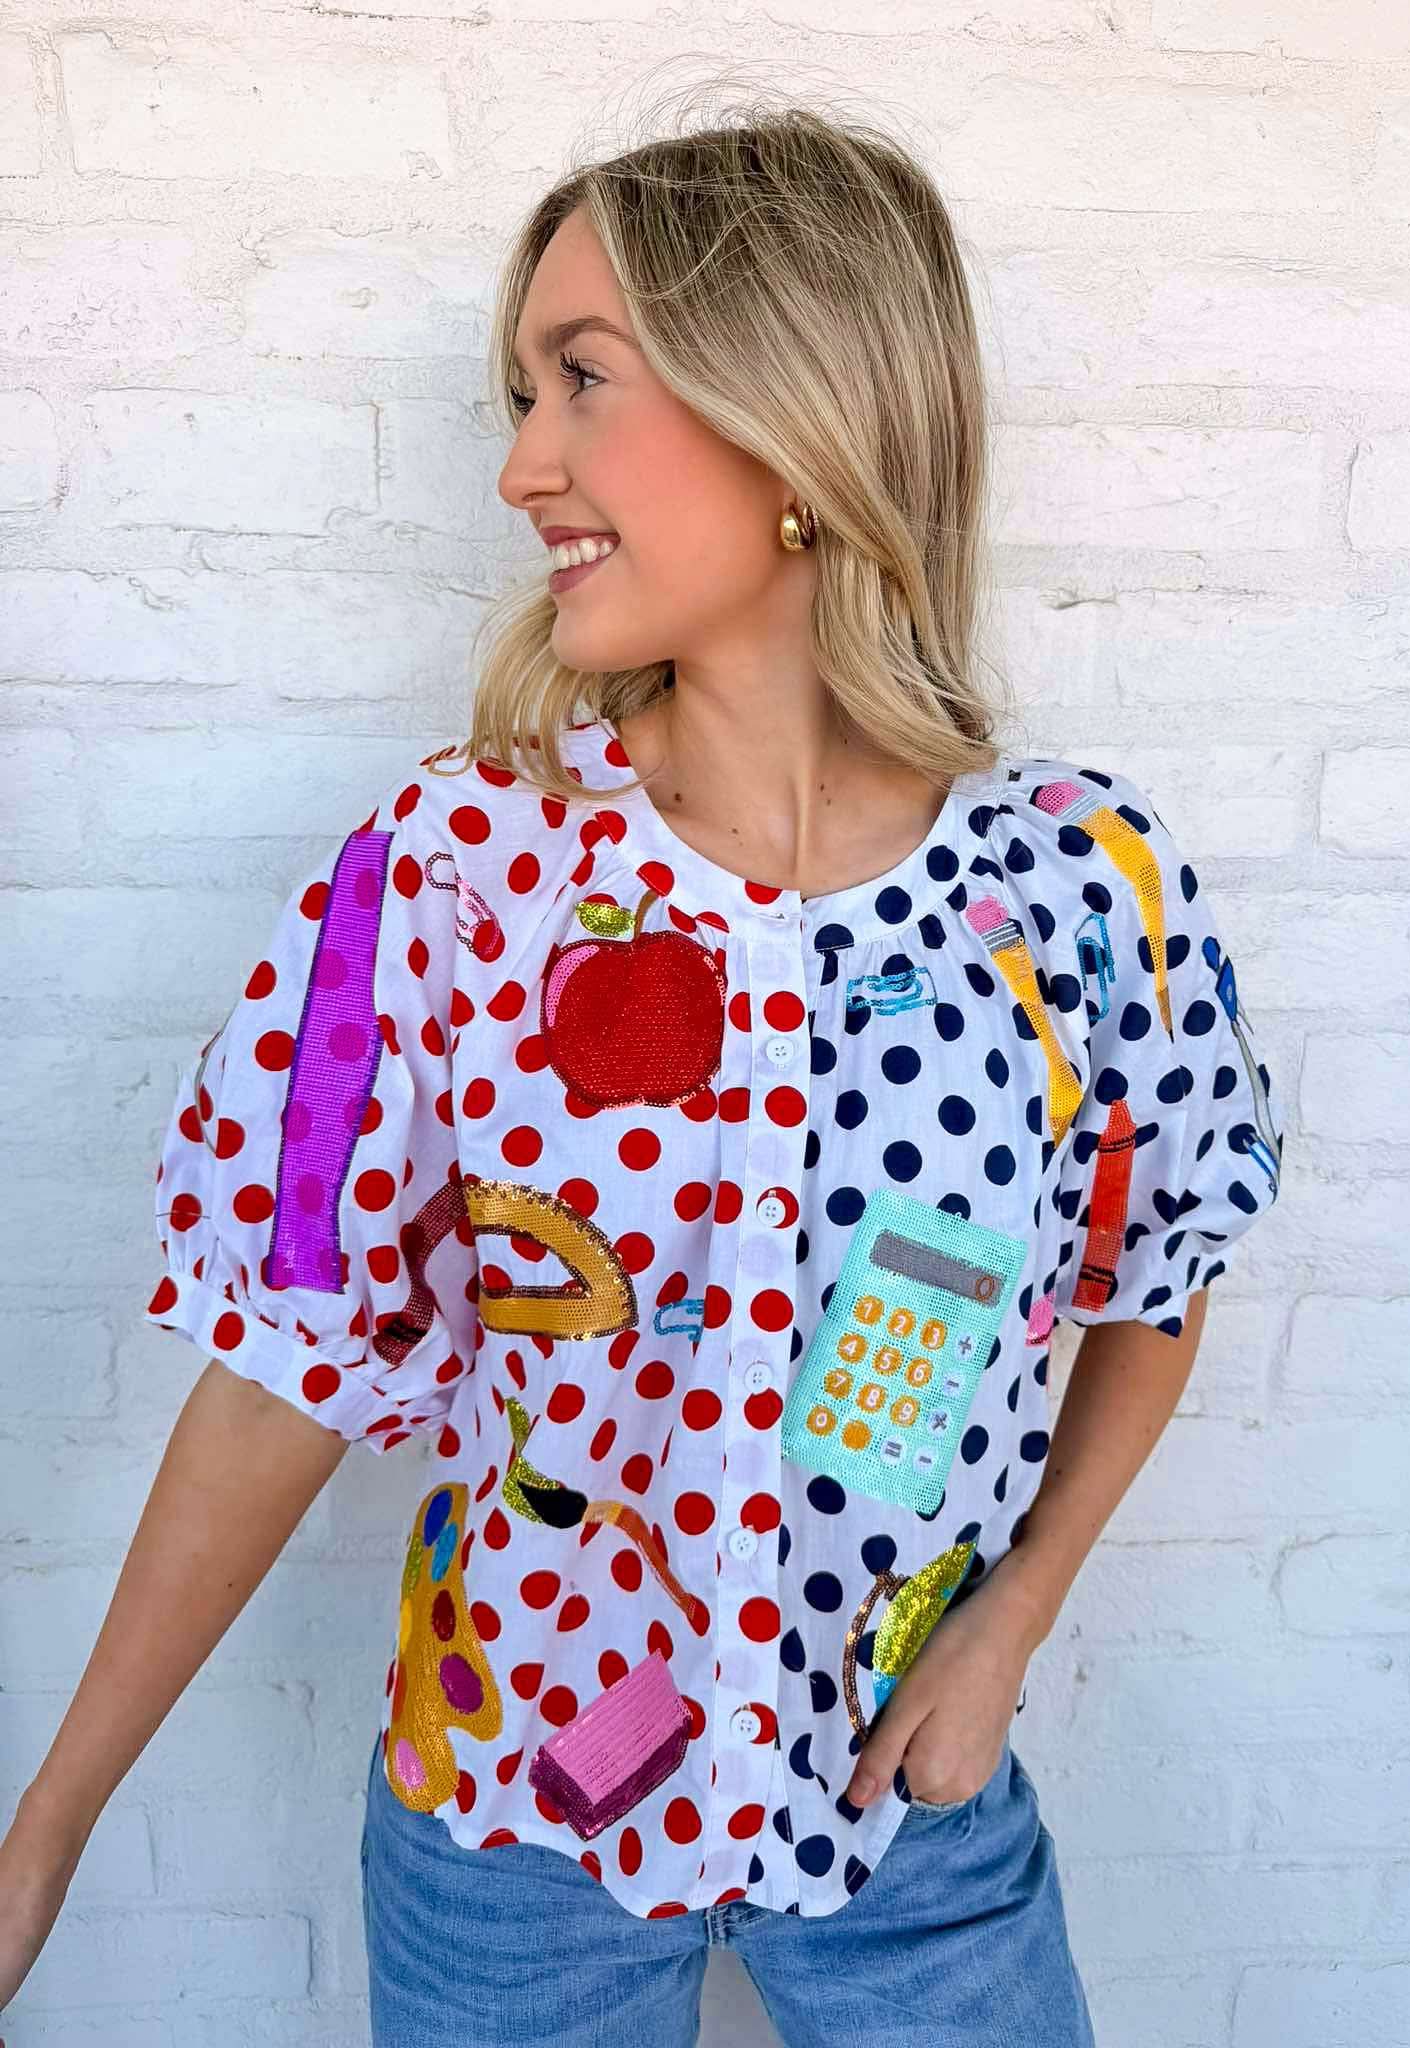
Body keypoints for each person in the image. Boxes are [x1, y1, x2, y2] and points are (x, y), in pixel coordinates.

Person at [0, 89, 1284, 2046]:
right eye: (522, 395)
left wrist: (1016, 1616)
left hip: (912, 1827)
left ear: (796, 411)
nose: (524, 465)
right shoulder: (437, 877)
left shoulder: (1082, 888)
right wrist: (44, 1836)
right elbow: (282, 1360)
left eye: (581, 380)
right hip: (512, 1829)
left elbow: (1157, 1267)